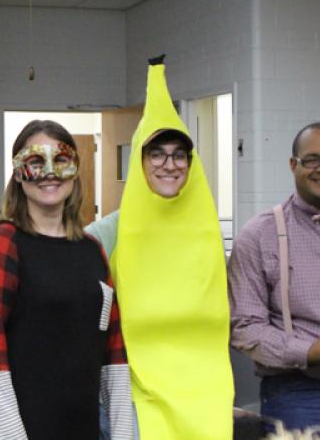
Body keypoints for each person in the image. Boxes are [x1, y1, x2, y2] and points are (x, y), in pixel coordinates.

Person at [86, 55, 234, 439]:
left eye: (179, 154)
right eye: (156, 153)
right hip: (138, 400)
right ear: (139, 160)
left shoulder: (206, 231)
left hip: (205, 396)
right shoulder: (104, 235)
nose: (170, 164)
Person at [0, 119, 133, 440]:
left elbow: (113, 354)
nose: (50, 173)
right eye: (36, 162)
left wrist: (123, 434)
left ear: (75, 168)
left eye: (61, 160)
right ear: (17, 173)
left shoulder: (92, 250)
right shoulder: (1, 245)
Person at [228, 122, 320, 434]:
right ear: (292, 165)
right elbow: (244, 327)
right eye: (312, 159)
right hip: (301, 394)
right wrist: (310, 352)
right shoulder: (259, 235)